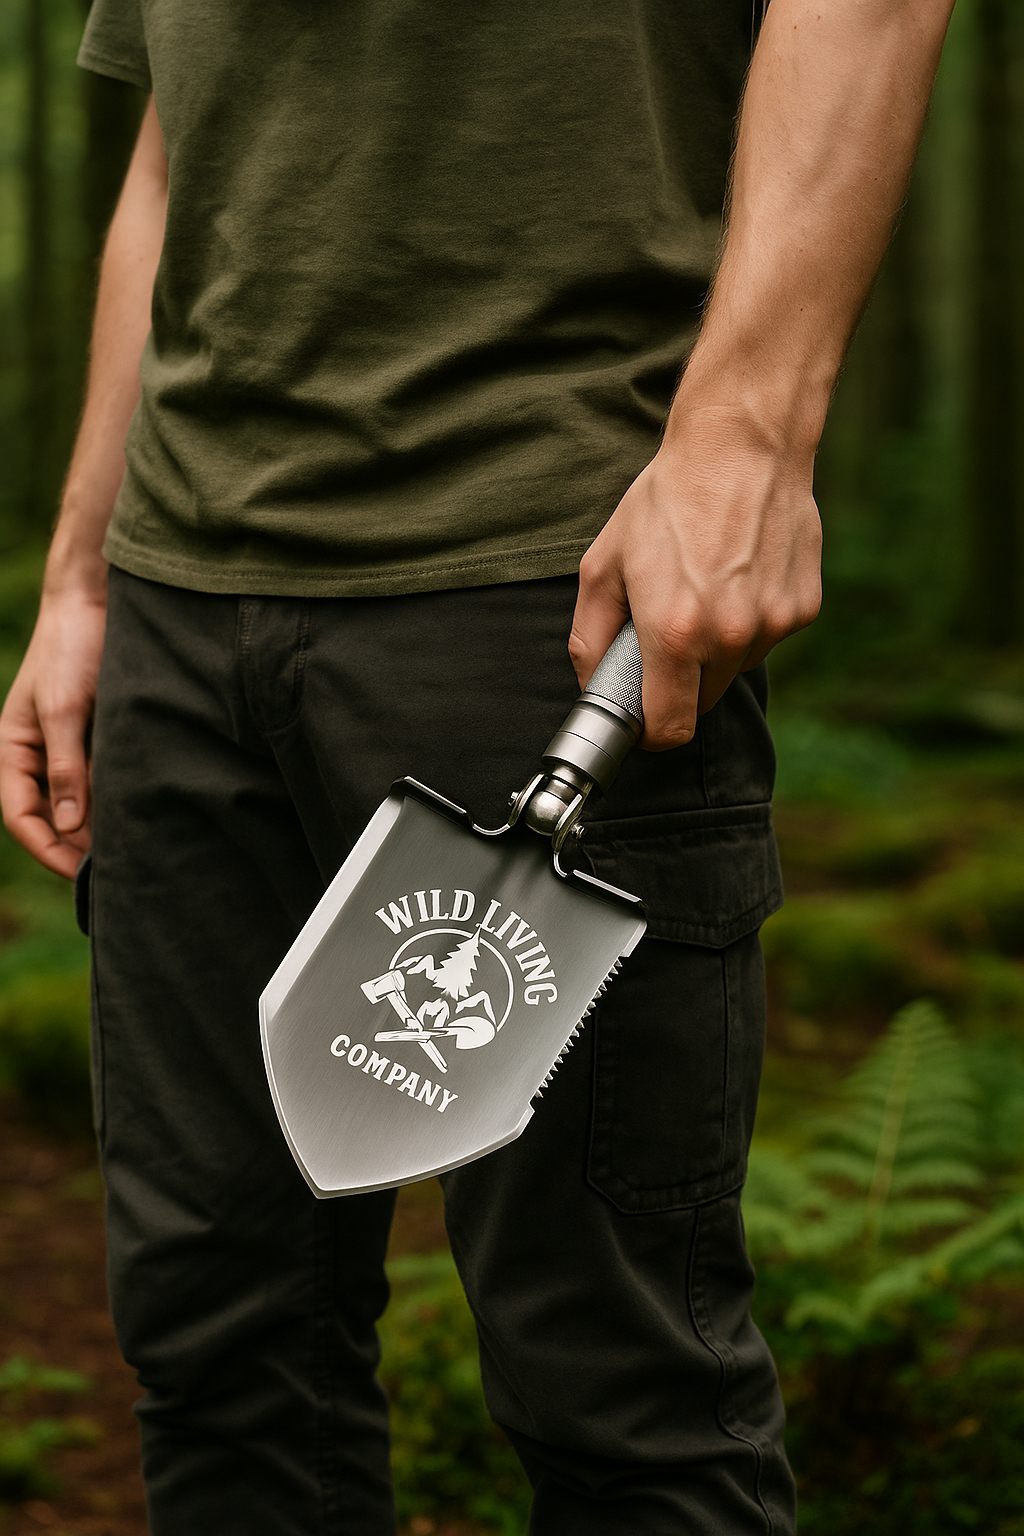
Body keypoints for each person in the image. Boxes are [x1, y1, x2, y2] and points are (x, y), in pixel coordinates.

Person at [0, 1, 953, 1531]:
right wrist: (84, 579)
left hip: (554, 595)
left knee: (621, 1397)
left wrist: (752, 430)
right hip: (182, 613)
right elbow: (179, 148)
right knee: (219, 1360)